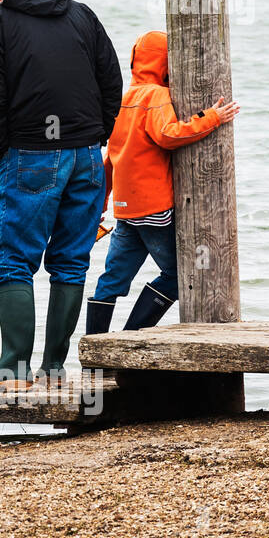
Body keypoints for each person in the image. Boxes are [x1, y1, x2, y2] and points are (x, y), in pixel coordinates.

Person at [0, 0, 123, 389]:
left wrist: (2, 147)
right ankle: (53, 368)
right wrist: (97, 134)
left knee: (15, 260)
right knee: (72, 262)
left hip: (32, 152)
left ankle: (15, 366)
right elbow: (113, 83)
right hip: (88, 155)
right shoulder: (82, 15)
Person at [88, 30, 241, 333]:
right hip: (154, 211)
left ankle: (94, 344)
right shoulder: (156, 96)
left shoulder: (124, 99)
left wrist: (99, 206)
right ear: (166, 63)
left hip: (125, 211)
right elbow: (168, 135)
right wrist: (211, 117)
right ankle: (131, 337)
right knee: (177, 275)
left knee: (112, 278)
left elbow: (109, 161)